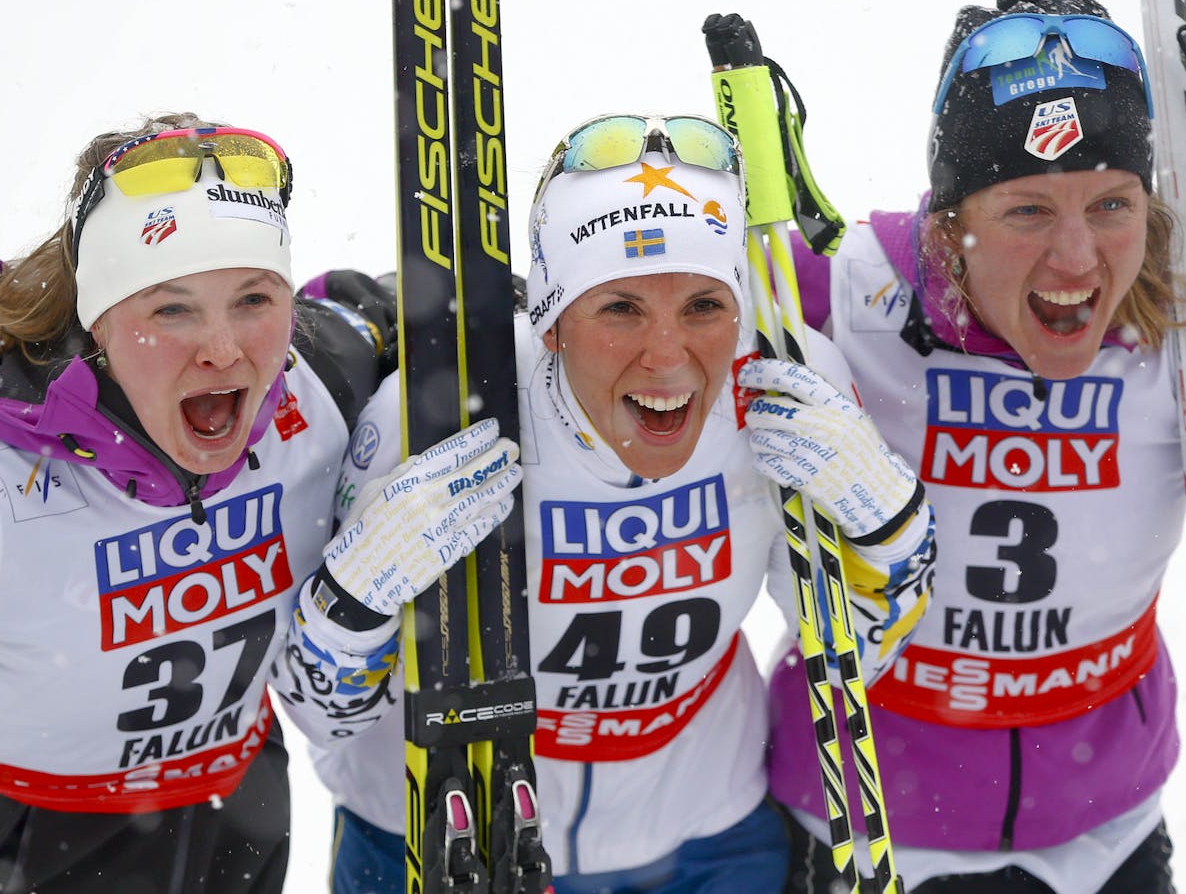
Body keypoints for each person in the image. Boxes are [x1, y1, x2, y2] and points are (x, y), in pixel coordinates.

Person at [278, 113, 937, 893]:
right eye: (620, 308)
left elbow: (853, 652)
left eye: (704, 305)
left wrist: (893, 535)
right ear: (552, 322)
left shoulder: (784, 378)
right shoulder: (436, 412)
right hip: (444, 838)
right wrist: (349, 604)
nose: (667, 354)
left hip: (703, 833)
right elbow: (326, 716)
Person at [0, 112, 519, 894]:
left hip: (237, 828)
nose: (224, 348)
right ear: (97, 321)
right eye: (171, 308)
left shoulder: (314, 384)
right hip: (17, 843)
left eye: (254, 299)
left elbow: (390, 311)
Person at [768, 0, 1186, 892]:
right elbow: (624, 317)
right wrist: (392, 332)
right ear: (948, 224)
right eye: (1028, 211)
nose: (1077, 260)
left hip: (1105, 834)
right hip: (867, 826)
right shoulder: (846, 297)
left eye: (1112, 204)